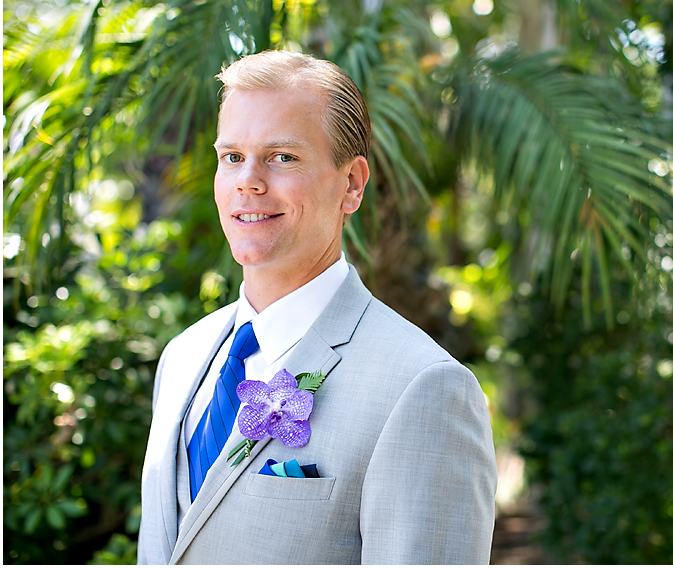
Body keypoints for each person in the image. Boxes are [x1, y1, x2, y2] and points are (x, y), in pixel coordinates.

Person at [137, 50, 497, 564]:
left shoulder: (424, 387)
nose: (249, 181)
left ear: (351, 184)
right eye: (232, 157)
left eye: (283, 157)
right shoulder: (183, 356)